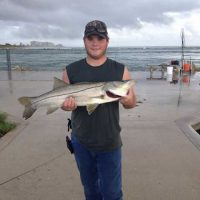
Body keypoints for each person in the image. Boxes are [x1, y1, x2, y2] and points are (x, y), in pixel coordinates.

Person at [62, 20, 136, 200]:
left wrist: (127, 99)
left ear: (107, 41)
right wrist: (65, 105)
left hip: (109, 141)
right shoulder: (71, 70)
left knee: (112, 194)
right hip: (81, 141)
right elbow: (63, 103)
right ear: (84, 40)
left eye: (100, 38)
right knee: (91, 191)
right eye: (91, 38)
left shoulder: (120, 70)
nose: (95, 42)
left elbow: (132, 102)